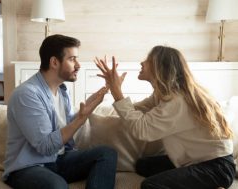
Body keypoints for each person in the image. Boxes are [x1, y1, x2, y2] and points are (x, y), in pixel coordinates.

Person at [94, 46, 236, 189]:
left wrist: (117, 92)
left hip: (216, 168)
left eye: (148, 60)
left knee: (150, 186)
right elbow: (136, 110)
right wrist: (116, 91)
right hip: (196, 161)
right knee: (142, 165)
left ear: (160, 68)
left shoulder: (178, 101)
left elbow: (142, 130)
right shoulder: (163, 95)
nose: (141, 63)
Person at [3, 34, 117, 189]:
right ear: (54, 62)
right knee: (58, 186)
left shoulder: (62, 91)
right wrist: (80, 119)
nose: (78, 65)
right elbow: (45, 147)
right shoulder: (27, 94)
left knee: (106, 153)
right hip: (29, 167)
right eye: (72, 59)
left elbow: (66, 129)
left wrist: (92, 104)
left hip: (58, 159)